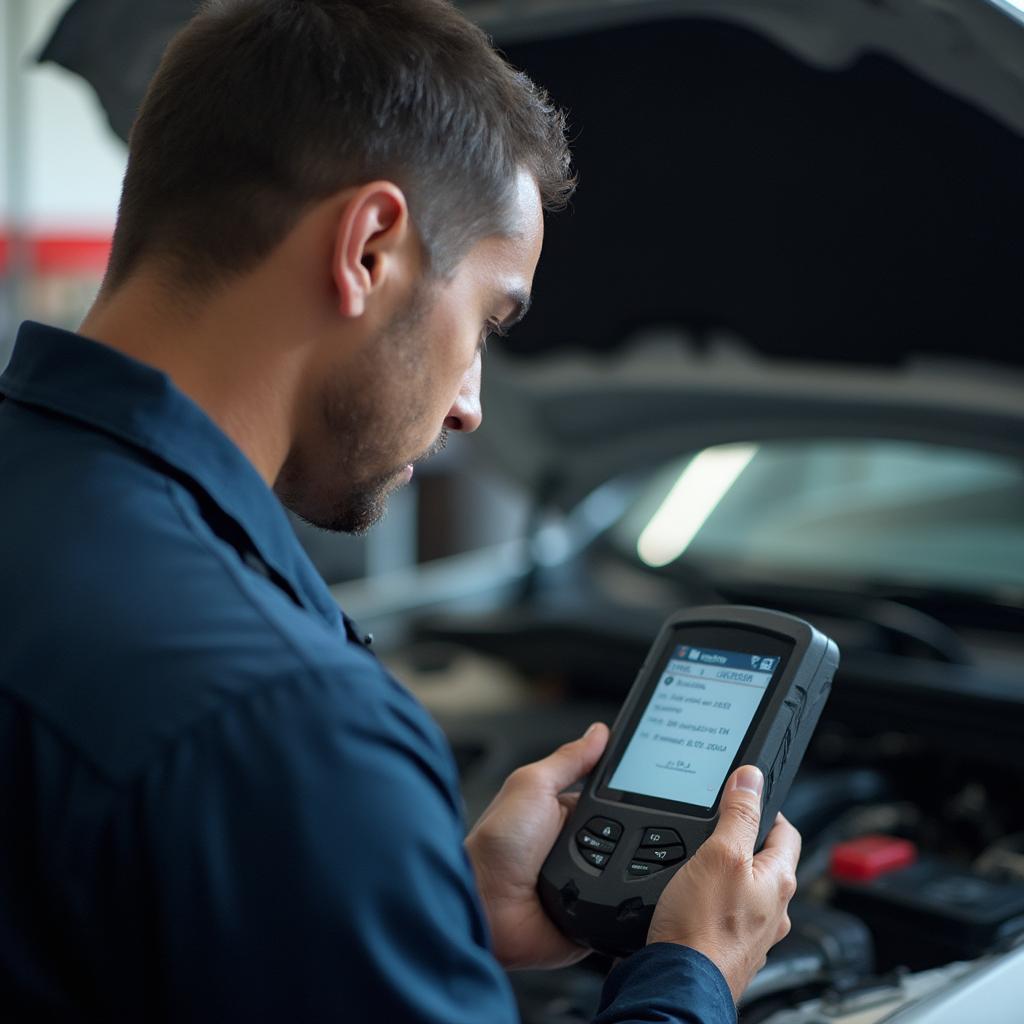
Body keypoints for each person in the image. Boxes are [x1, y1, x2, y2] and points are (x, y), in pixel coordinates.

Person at [0, 1, 800, 1020]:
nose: (469, 404)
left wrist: (417, 907)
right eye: (487, 321)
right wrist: (690, 972)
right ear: (369, 248)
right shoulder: (283, 723)